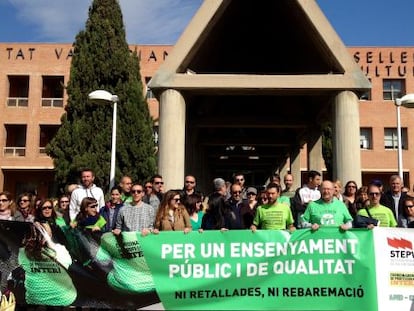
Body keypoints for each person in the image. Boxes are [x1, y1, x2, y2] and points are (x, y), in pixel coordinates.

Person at [18, 222, 77, 306]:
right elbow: (68, 264)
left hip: (35, 301)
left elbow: (21, 264)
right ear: (50, 235)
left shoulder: (22, 252)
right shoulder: (60, 250)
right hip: (65, 298)